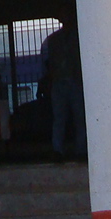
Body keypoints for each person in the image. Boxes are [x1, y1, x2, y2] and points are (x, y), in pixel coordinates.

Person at [42, 21, 84, 160]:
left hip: (73, 80)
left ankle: (79, 149)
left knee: (77, 117)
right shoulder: (54, 39)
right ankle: (59, 150)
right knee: (62, 117)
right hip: (61, 81)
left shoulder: (57, 38)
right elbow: (47, 61)